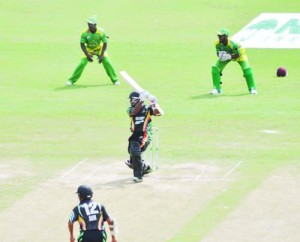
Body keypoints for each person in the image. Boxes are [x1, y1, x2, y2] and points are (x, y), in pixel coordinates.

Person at [66, 16, 119, 86]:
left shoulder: (101, 32)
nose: (89, 25)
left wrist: (102, 55)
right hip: (89, 50)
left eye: (91, 24)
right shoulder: (85, 33)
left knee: (107, 62)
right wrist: (87, 55)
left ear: (95, 24)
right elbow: (82, 44)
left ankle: (115, 80)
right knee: (82, 63)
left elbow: (105, 43)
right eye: (88, 24)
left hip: (99, 49)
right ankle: (71, 80)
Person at [125, 91, 161, 183]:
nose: (130, 101)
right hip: (135, 134)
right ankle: (144, 168)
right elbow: (134, 112)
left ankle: (138, 176)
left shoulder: (147, 109)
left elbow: (159, 113)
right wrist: (141, 100)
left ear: (136, 99)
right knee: (131, 152)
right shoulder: (130, 109)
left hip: (145, 134)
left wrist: (154, 103)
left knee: (135, 150)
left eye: (132, 100)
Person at [210, 28, 257, 95]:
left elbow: (238, 54)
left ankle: (252, 89)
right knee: (215, 68)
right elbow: (218, 53)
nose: (219, 37)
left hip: (240, 55)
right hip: (227, 55)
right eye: (218, 36)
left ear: (226, 36)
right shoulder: (217, 44)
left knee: (247, 70)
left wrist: (229, 56)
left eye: (221, 36)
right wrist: (220, 56)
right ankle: (216, 89)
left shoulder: (233, 44)